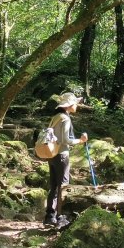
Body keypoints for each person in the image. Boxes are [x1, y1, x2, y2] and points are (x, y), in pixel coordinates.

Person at [43, 92, 88, 227]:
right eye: (75, 103)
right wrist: (81, 140)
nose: (77, 106)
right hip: (62, 155)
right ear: (70, 105)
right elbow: (65, 140)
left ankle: (49, 216)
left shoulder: (56, 117)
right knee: (63, 185)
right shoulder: (65, 119)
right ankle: (61, 218)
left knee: (54, 186)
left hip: (52, 155)